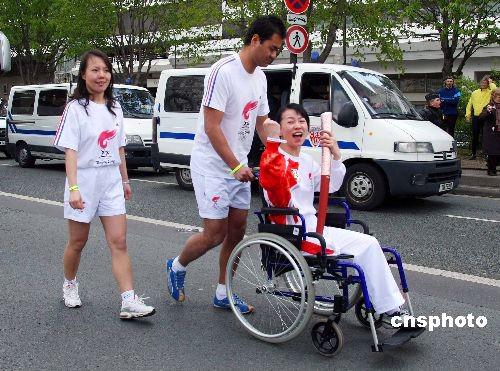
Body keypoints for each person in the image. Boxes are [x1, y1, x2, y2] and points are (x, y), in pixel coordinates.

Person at [165, 16, 286, 313]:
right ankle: (178, 266)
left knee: (236, 232)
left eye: (278, 51)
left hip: (238, 166)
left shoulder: (260, 78)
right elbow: (212, 127)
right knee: (215, 233)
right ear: (255, 40)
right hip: (213, 165)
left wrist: (286, 144)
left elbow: (262, 124)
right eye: (271, 48)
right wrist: (234, 166)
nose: (273, 55)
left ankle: (224, 292)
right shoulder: (223, 71)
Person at [259, 103, 412, 323]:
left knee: (369, 243)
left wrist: (336, 154)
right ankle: (388, 309)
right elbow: (272, 183)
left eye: (302, 121)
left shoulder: (307, 161)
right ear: (280, 130)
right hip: (291, 231)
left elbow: (331, 186)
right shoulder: (274, 158)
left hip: (313, 228)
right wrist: (272, 142)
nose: (297, 125)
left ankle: (392, 309)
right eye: (290, 121)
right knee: (344, 253)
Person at [54, 50, 155, 319]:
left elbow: (119, 147)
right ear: (84, 75)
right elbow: (71, 152)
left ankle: (128, 300)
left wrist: (125, 180)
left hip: (110, 180)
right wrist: (74, 188)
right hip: (84, 181)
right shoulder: (75, 109)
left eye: (106, 70)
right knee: (78, 241)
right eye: (95, 70)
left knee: (119, 241)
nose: (102, 75)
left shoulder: (115, 107)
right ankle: (70, 284)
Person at [466, 75, 497, 160]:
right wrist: (468, 115)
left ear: (488, 84)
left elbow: (495, 89)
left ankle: (486, 154)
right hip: (476, 117)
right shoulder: (474, 92)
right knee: (475, 135)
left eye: (485, 82)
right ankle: (473, 153)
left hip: (486, 116)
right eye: (482, 82)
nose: (483, 84)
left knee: (486, 136)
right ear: (480, 83)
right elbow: (469, 105)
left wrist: (490, 82)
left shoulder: (490, 92)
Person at [479, 88, 500, 176]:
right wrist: (488, 111)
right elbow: (481, 117)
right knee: (493, 152)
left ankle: (494, 167)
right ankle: (491, 169)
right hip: (492, 133)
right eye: (499, 96)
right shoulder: (489, 106)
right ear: (494, 96)